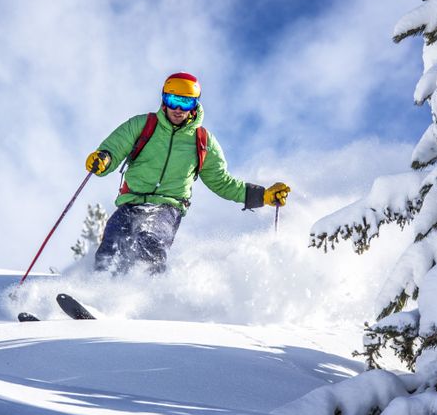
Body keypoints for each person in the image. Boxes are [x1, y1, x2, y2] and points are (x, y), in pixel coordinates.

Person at [84, 72, 289, 274]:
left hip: (167, 207)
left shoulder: (203, 141)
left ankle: (145, 294)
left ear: (195, 105)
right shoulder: (143, 125)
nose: (179, 109)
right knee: (112, 241)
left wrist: (262, 196)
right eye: (173, 100)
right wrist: (103, 159)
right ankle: (100, 291)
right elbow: (115, 148)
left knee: (150, 239)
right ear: (164, 100)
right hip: (131, 201)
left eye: (187, 103)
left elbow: (222, 182)